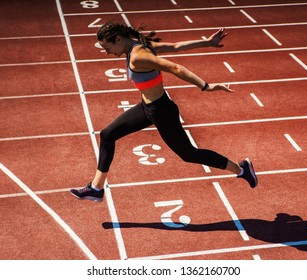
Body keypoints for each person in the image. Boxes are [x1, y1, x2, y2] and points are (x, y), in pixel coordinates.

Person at [71, 21, 258, 202]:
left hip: (161, 111)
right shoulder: (141, 45)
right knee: (107, 134)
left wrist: (205, 86)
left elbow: (175, 67)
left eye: (107, 48)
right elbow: (176, 46)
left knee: (189, 154)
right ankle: (97, 188)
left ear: (118, 39)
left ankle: (241, 169)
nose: (107, 53)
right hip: (147, 107)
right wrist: (208, 42)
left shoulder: (138, 56)